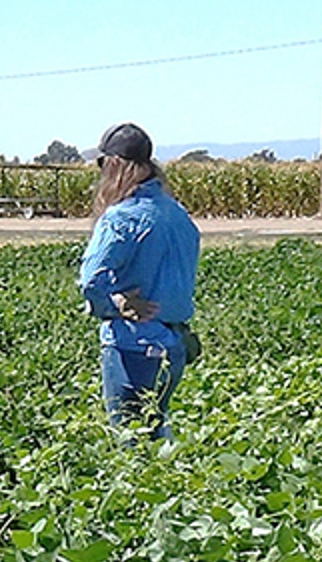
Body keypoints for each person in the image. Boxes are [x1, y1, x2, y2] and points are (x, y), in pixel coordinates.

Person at [76, 123, 201, 442]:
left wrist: (113, 305)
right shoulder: (178, 214)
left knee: (130, 441)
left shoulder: (121, 218)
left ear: (114, 165)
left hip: (133, 347)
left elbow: (91, 279)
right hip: (175, 345)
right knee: (159, 433)